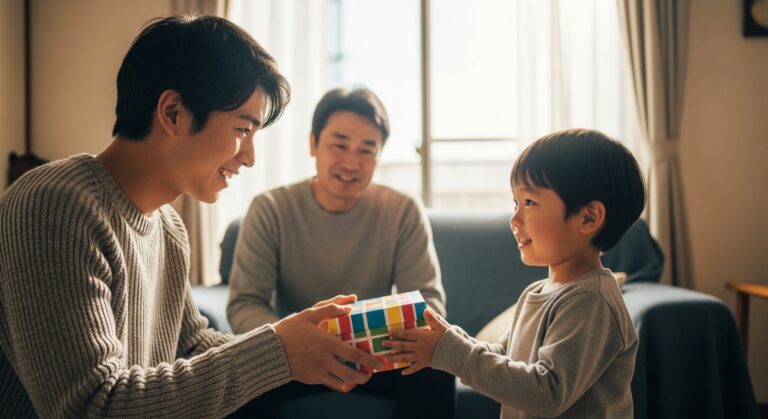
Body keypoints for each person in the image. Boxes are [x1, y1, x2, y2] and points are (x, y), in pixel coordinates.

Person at [0, 15, 381, 418]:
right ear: (173, 113)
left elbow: (191, 347)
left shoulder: (168, 228)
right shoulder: (53, 206)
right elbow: (93, 406)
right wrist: (277, 351)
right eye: (242, 129)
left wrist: (301, 348)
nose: (249, 157)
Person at [384, 128, 645, 418]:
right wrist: (447, 339)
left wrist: (452, 351)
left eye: (529, 202)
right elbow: (502, 358)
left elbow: (547, 392)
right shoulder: (537, 292)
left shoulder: (591, 300)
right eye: (515, 203)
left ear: (588, 217)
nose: (514, 218)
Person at [227, 88, 453, 418]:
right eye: (339, 145)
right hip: (294, 357)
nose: (351, 163)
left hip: (377, 356)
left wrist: (385, 340)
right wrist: (288, 342)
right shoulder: (270, 208)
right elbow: (245, 303)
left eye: (367, 150)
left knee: (437, 369)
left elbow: (428, 301)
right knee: (243, 368)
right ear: (313, 144)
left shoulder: (402, 210)